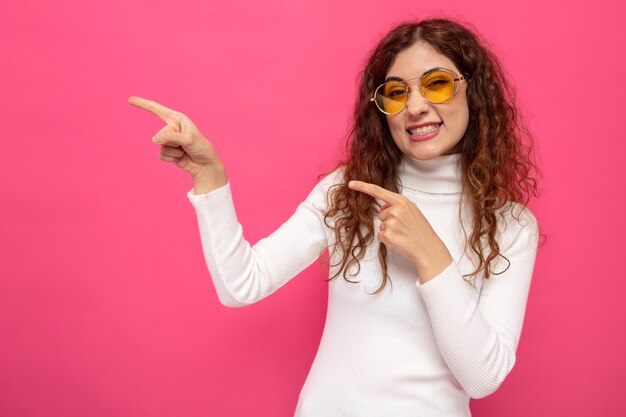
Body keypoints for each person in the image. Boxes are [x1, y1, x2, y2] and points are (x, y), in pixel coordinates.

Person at [129, 17, 541, 417]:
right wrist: (209, 177)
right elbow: (242, 285)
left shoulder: (511, 226)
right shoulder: (347, 192)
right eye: (396, 93)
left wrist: (430, 253)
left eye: (436, 84)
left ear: (474, 92)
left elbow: (483, 379)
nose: (415, 107)